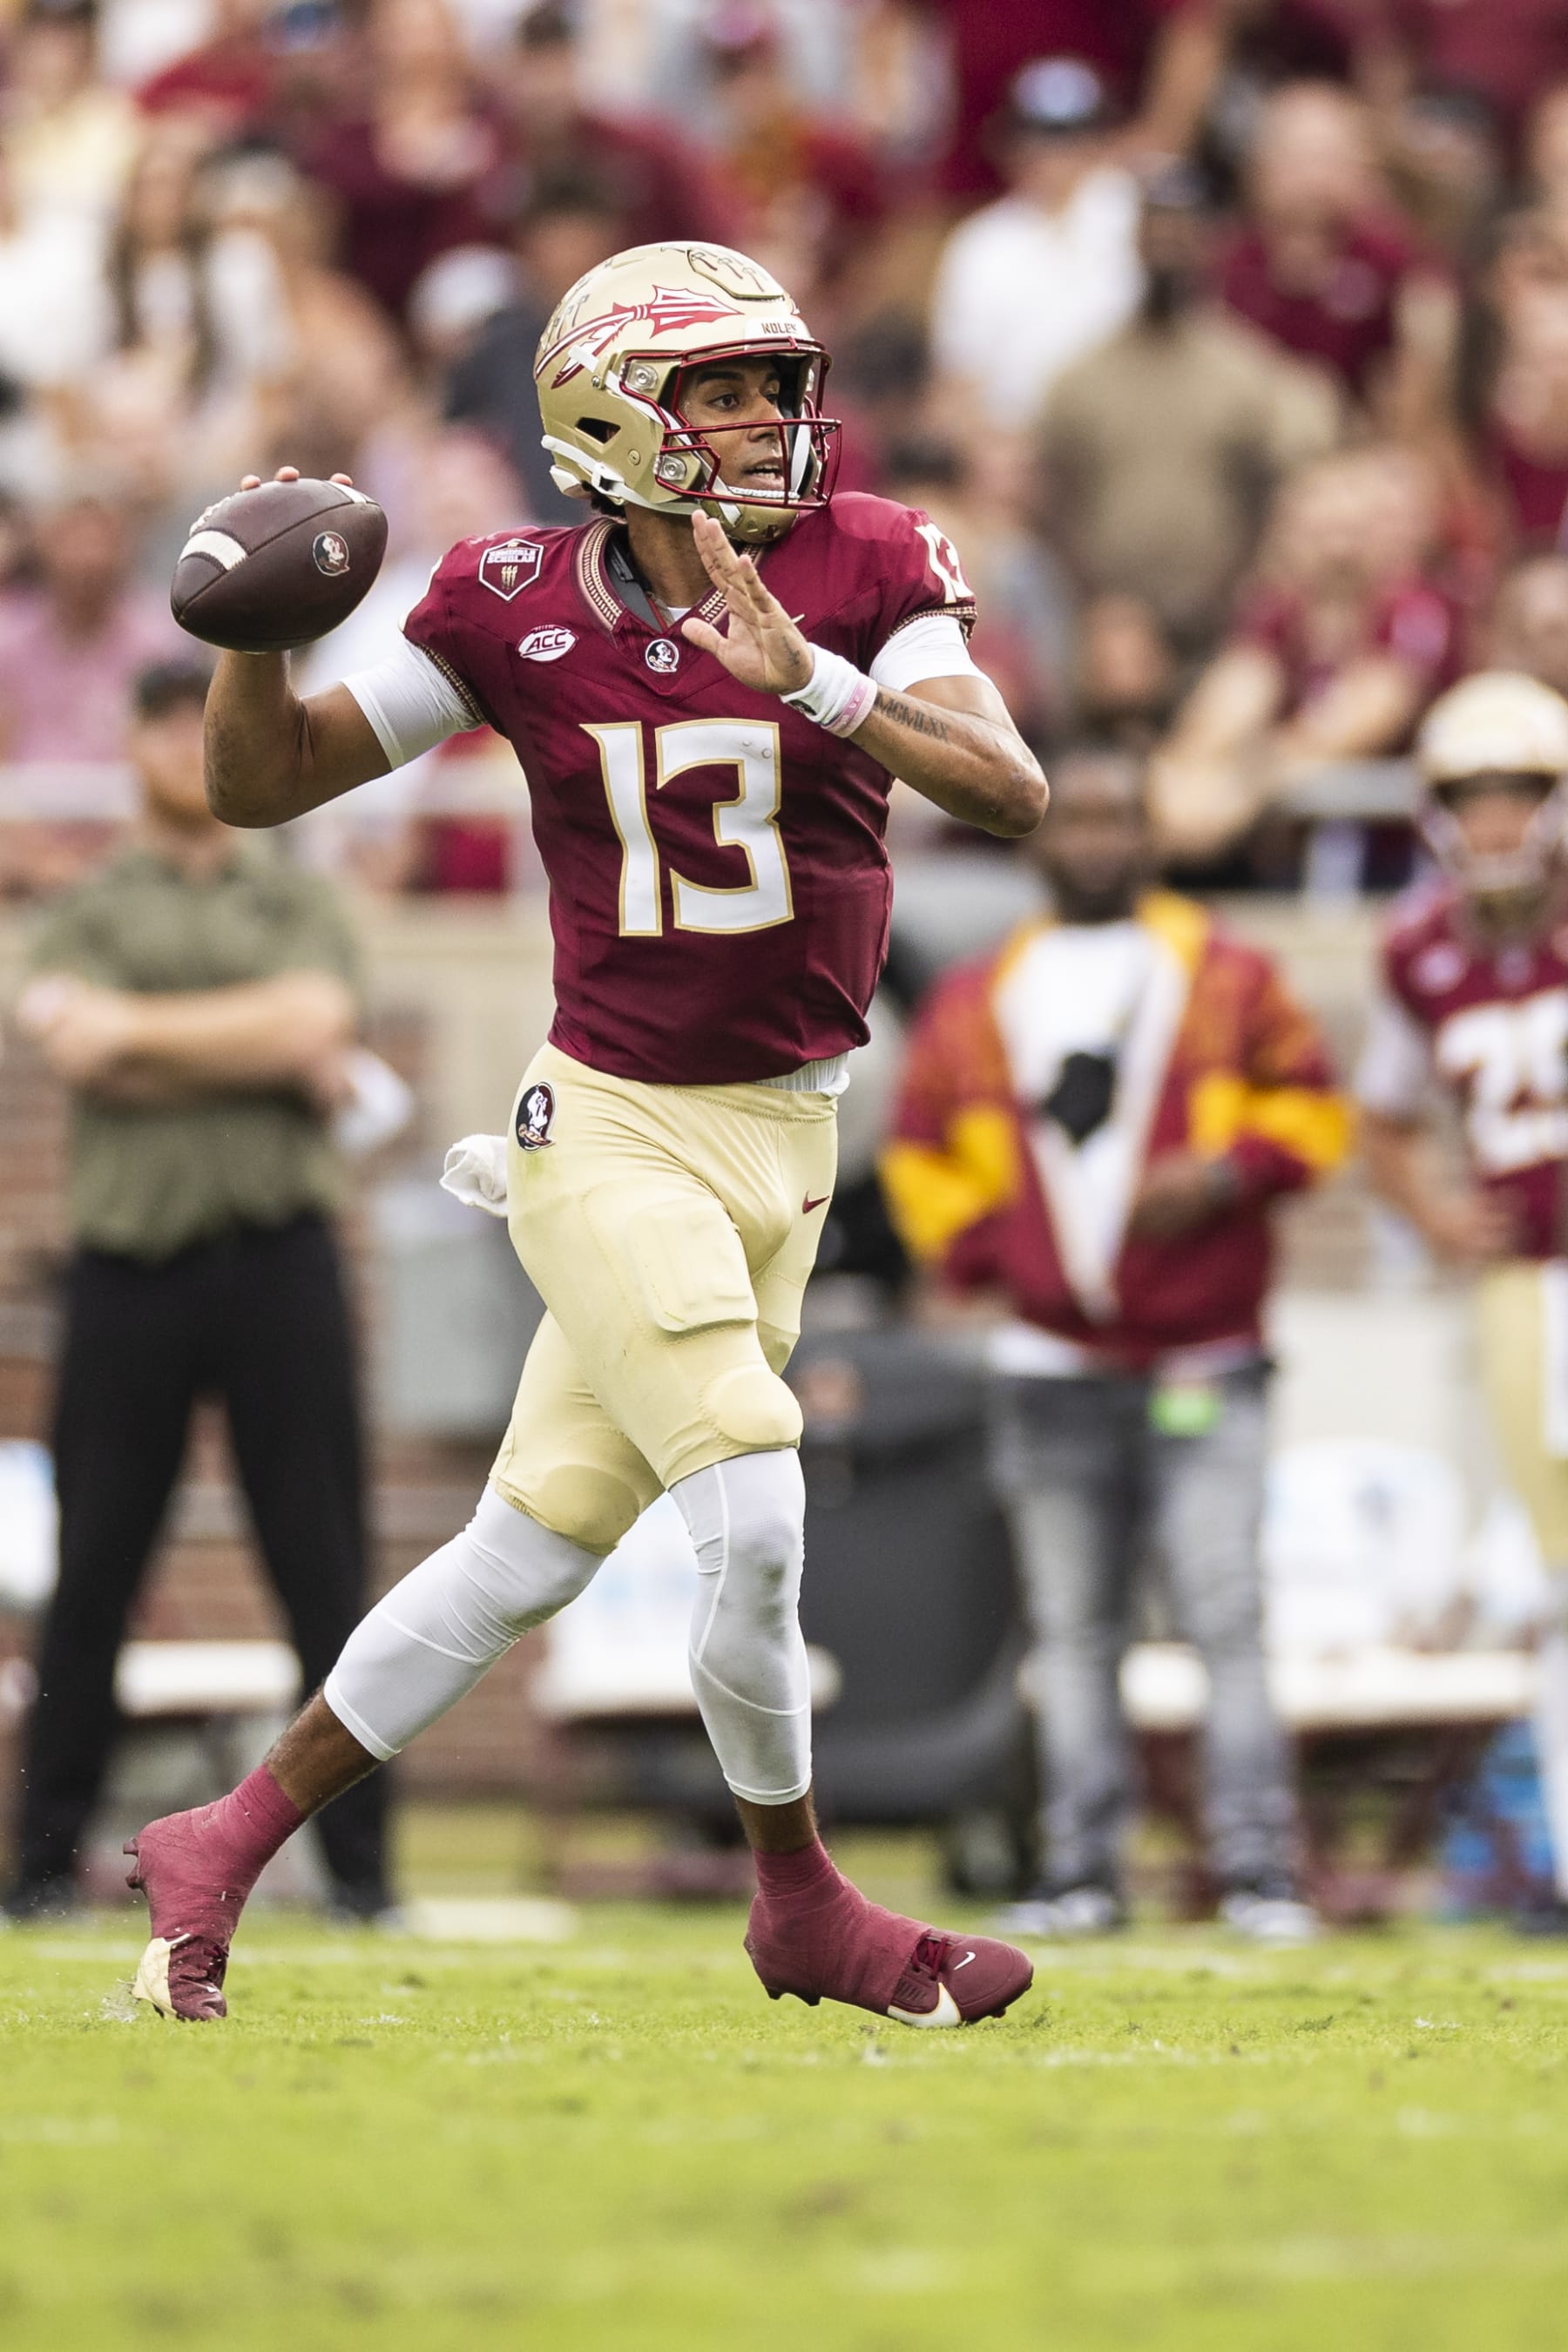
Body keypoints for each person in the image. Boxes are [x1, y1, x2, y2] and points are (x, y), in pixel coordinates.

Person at [123, 238, 1048, 2028]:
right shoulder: (506, 600)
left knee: (524, 1551)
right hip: (614, 1127)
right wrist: (258, 644)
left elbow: (1010, 789)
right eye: (728, 391)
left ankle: (219, 1840)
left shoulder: (865, 562)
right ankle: (803, 1906)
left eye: (783, 385)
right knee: (759, 1512)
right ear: (615, 415)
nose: (776, 422)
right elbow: (267, 782)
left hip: (792, 1139)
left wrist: (823, 685)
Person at [880, 744, 1348, 1943]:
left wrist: (1232, 1173)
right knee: (1074, 1637)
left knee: (1224, 1621)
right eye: (1075, 817)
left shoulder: (1230, 978)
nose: (1095, 838)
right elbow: (917, 1150)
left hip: (1204, 1354)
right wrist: (993, 1254)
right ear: (1042, 838)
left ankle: (1256, 1873)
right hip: (1052, 1365)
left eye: (1117, 817)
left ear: (1153, 835)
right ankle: (1083, 1870)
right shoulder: (981, 998)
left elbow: (1315, 1106)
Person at [1, 659, 389, 1923]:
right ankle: (42, 1870)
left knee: (327, 1574)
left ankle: (362, 1879)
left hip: (281, 1260)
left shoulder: (295, 895)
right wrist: (262, 1046)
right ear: (128, 742)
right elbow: (79, 1049)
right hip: (132, 1272)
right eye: (161, 720)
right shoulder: (88, 904)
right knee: (95, 1575)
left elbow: (310, 1021)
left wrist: (151, 1037)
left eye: (197, 720)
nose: (184, 743)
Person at [1355, 669, 1568, 1931]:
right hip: (1517, 1282)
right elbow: (1383, 1122)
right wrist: (1434, 1210)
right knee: (1553, 1573)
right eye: (1471, 796)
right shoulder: (1418, 946)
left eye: (1518, 793)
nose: (1493, 821)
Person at [1037, 161, 1341, 667]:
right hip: (1108, 637)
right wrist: (1096, 602)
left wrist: (1237, 589)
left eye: (1180, 231)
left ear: (1207, 243)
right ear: (1134, 240)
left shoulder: (1248, 375)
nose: (1166, 246)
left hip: (1217, 629)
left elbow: (1272, 494)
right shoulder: (1079, 379)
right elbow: (1052, 500)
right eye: (1155, 229)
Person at [1150, 444, 1463, 867]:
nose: (1337, 549)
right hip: (1304, 847)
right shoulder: (1277, 612)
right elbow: (1227, 707)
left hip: (1401, 856)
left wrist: (1239, 786)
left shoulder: (1415, 609)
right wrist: (1180, 774)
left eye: (1354, 531)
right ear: (1287, 536)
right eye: (1319, 531)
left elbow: (1356, 726)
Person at [929, 57, 1145, 439]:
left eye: (1068, 139)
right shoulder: (980, 244)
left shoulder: (1139, 218)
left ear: (1100, 141)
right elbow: (958, 384)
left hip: (1128, 434)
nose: (1050, 156)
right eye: (1037, 138)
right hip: (1016, 443)